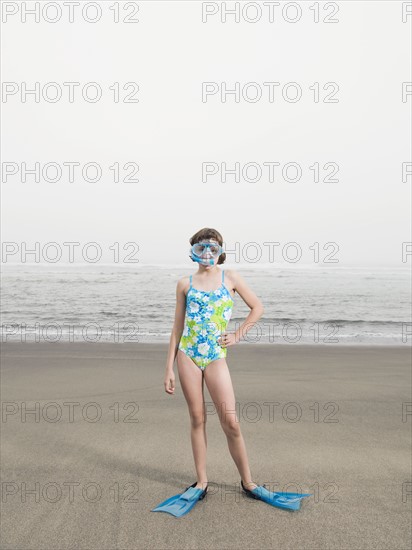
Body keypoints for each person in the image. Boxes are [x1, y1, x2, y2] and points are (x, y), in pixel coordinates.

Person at [163, 227, 264, 493]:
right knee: (197, 418)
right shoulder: (185, 284)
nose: (207, 253)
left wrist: (238, 334)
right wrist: (168, 368)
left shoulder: (230, 278)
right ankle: (202, 482)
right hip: (188, 354)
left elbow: (258, 307)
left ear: (220, 252)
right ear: (193, 252)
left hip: (215, 355)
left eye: (213, 248)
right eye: (201, 248)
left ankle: (248, 481)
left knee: (230, 421)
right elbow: (177, 328)